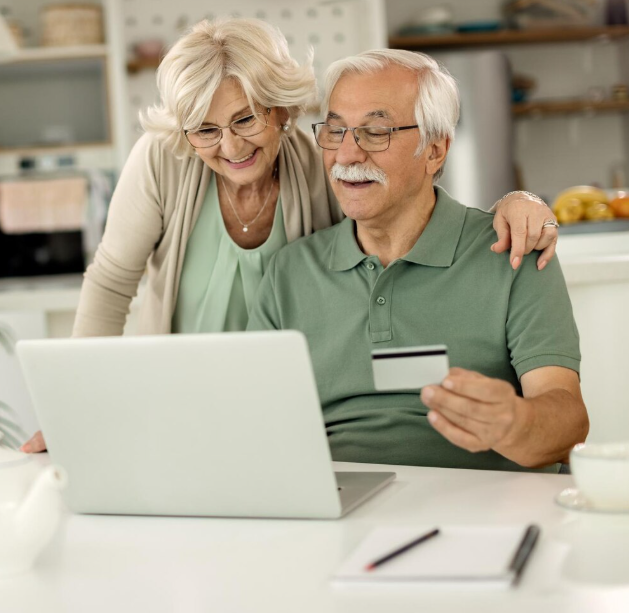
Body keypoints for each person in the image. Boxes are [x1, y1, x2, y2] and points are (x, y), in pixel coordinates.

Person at [21, 19, 559, 453]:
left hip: (275, 402)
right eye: (206, 129)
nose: (230, 147)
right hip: (180, 387)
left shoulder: (322, 163)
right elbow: (112, 284)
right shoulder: (165, 160)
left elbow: (396, 207)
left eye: (246, 120)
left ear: (280, 109)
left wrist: (521, 202)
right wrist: (78, 411)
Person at [247, 49, 588, 472]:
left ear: (435, 150)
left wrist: (515, 424)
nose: (347, 154)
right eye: (335, 132)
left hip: (481, 506)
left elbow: (569, 420)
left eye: (375, 131)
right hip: (337, 507)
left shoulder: (512, 251)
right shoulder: (289, 273)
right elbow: (257, 428)